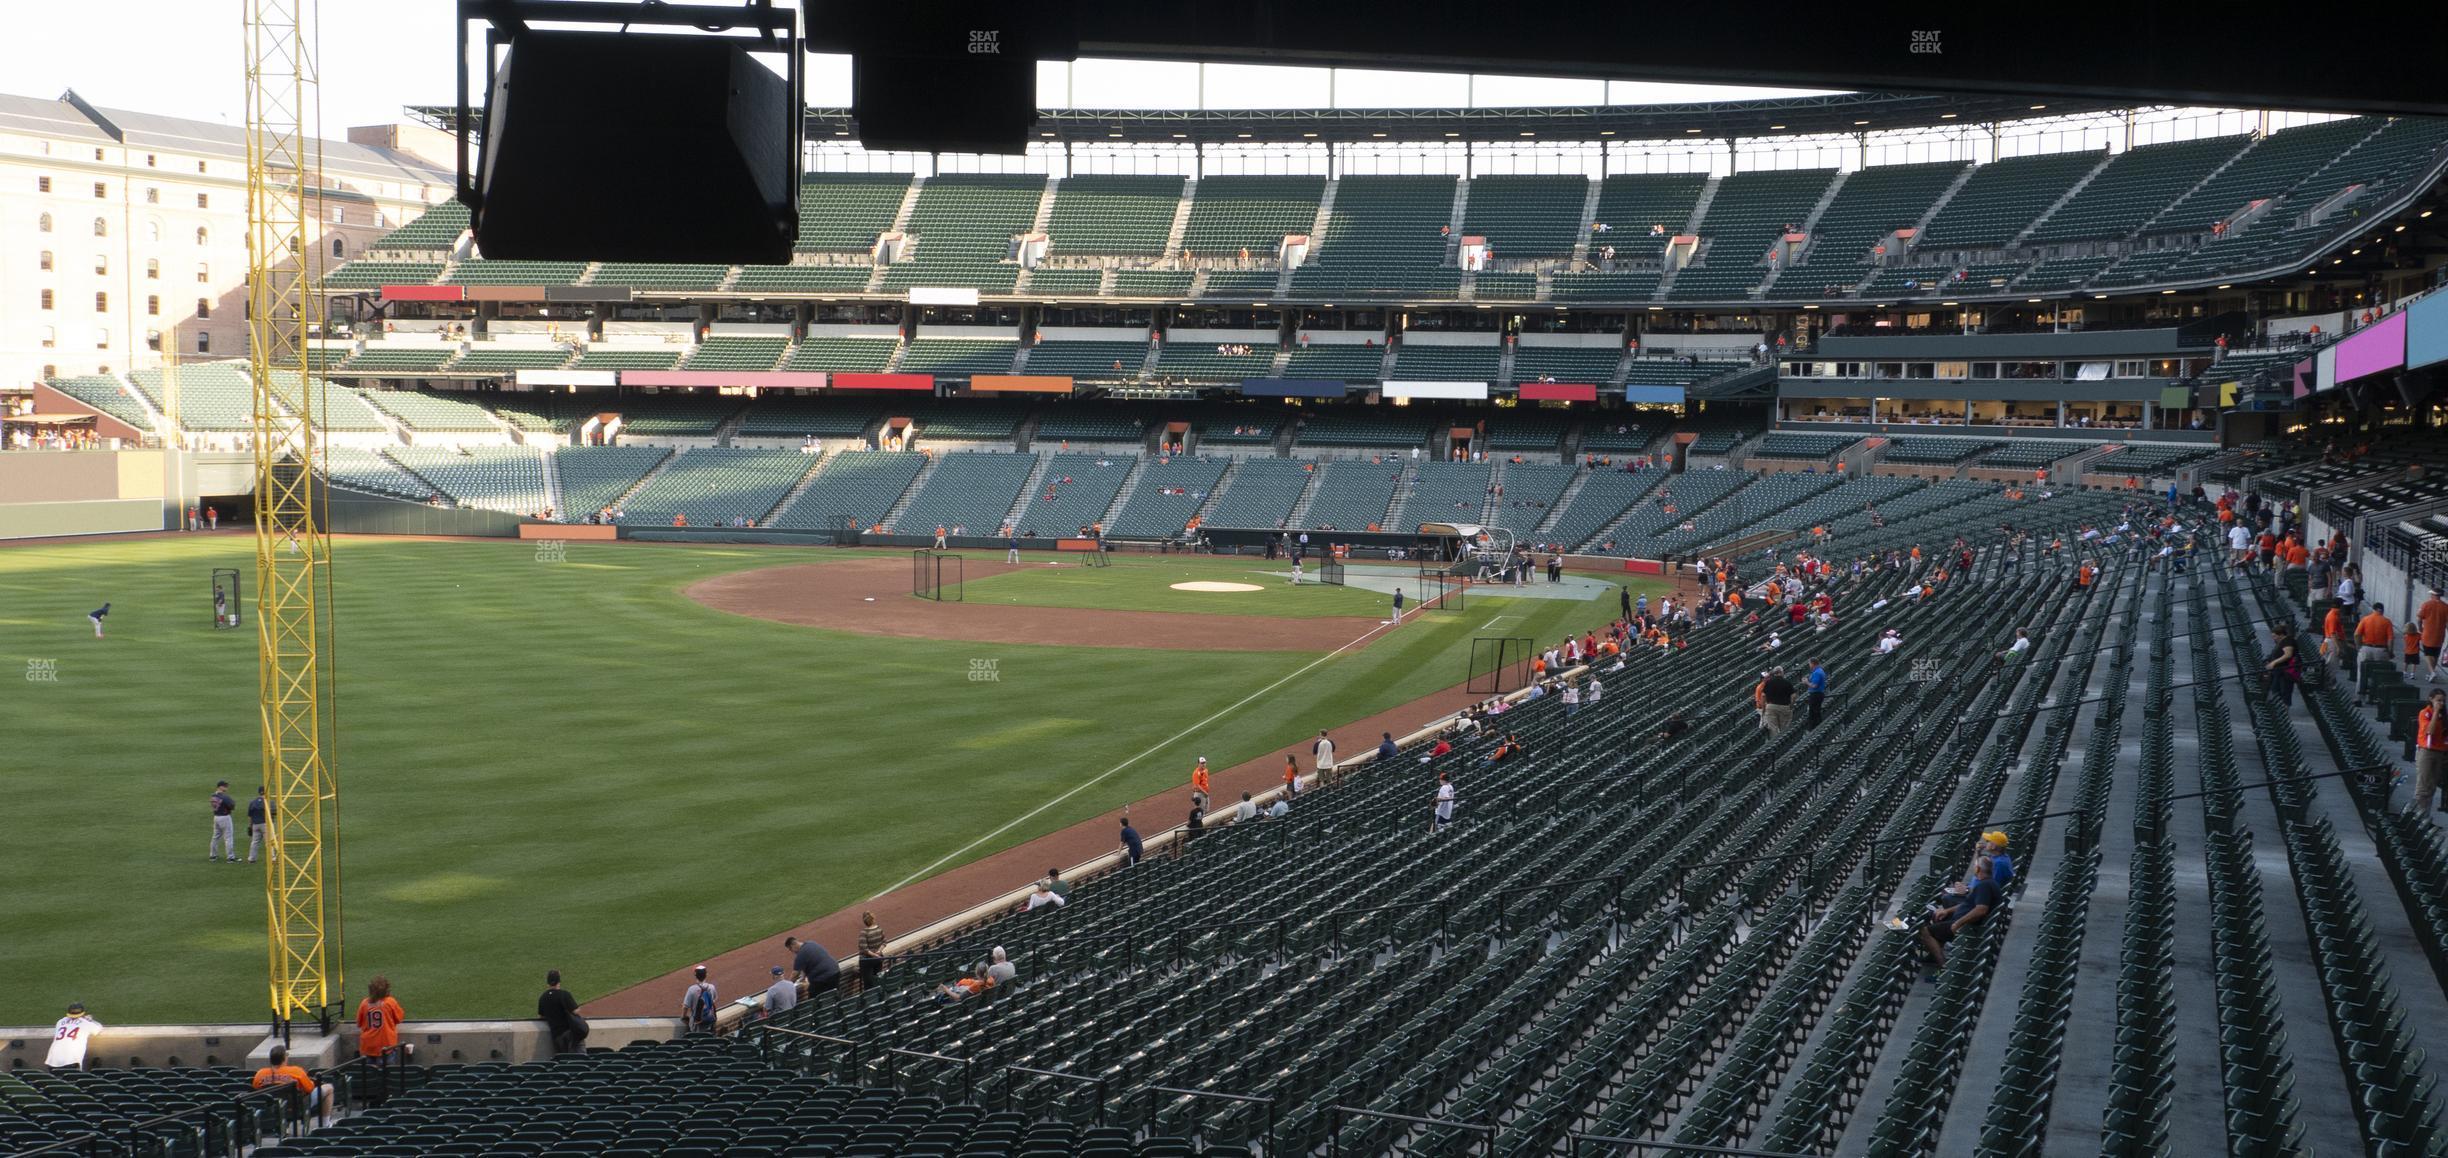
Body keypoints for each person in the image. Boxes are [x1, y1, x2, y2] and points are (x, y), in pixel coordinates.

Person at [1917, 854, 1999, 980]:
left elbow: (1980, 910)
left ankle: (1944, 970)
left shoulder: (1984, 886)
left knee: (1925, 931)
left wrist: (1958, 923)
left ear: (1978, 870)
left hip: (1965, 926)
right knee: (1939, 920)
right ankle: (1934, 956)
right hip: (1959, 921)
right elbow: (1968, 904)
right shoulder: (1989, 883)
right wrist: (1947, 911)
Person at [253, 1043, 335, 1125]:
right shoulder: (296, 1071)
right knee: (329, 1088)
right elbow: (310, 1089)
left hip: (271, 1108)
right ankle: (326, 1123)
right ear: (284, 1058)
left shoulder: (260, 1074)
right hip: (297, 1107)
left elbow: (256, 1090)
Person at [358, 975, 407, 1097]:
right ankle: (386, 1101)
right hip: (386, 1046)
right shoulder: (390, 1002)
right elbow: (399, 1018)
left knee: (370, 1080)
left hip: (368, 1046)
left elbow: (359, 1023)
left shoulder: (364, 1003)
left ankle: (372, 1102)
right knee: (388, 1078)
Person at [2413, 689, 2448, 818]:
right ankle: (2417, 816)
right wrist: (2436, 712)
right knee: (2423, 786)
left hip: (2439, 752)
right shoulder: (2425, 713)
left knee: (2431, 787)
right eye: (2439, 700)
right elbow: (2430, 731)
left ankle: (2425, 816)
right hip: (2426, 752)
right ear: (2431, 699)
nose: (2442, 703)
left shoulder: (2444, 716)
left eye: (2443, 701)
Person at [538, 970, 586, 1054]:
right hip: (570, 1033)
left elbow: (541, 1016)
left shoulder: (543, 997)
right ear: (559, 982)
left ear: (548, 983)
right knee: (579, 1059)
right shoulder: (564, 994)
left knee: (564, 1060)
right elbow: (576, 1011)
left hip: (557, 1036)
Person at [46, 1002, 102, 1071]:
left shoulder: (60, 1022)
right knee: (72, 1080)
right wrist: (90, 1020)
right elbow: (99, 1028)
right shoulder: (85, 1023)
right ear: (83, 1013)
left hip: (52, 1060)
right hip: (71, 1061)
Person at [2265, 622, 2303, 709]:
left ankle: (2284, 710)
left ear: (2281, 634)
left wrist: (2274, 662)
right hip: (2278, 671)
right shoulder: (2282, 641)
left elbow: (2288, 655)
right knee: (2275, 689)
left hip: (2286, 671)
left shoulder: (2288, 641)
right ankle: (2278, 708)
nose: (2273, 638)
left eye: (2275, 636)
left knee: (2285, 690)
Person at [2357, 602, 2396, 680]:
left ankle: (2360, 690)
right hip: (2381, 650)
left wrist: (2359, 647)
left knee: (2362, 673)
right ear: (2382, 610)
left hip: (2366, 648)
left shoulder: (2365, 619)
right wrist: (2390, 652)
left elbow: (2356, 634)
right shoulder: (2387, 621)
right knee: (2380, 674)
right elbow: (2390, 639)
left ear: (2373, 609)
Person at [2418, 589, 2448, 683]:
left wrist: (2420, 629)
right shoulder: (2446, 607)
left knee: (2427, 654)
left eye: (2431, 594)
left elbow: (2419, 618)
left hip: (2428, 633)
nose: (2430, 596)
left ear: (2434, 595)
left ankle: (2432, 672)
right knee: (2435, 654)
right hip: (2440, 634)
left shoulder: (2426, 604)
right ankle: (2430, 674)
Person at [680, 965, 719, 1034]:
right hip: (710, 1020)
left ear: (695, 976)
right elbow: (714, 1000)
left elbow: (685, 1006)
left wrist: (683, 1017)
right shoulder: (712, 987)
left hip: (696, 1024)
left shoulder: (691, 989)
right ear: (706, 975)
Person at [209, 780, 239, 863]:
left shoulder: (213, 796)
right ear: (220, 787)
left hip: (216, 817)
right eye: (225, 786)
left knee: (215, 837)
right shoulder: (224, 797)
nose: (226, 787)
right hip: (225, 818)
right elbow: (232, 805)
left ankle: (212, 856)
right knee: (228, 838)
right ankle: (230, 857)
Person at [1759, 667, 1796, 735]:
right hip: (1784, 707)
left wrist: (1764, 708)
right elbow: (1793, 696)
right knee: (1784, 730)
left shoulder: (1769, 682)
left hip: (1771, 707)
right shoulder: (1787, 682)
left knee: (1773, 729)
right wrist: (1791, 705)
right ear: (1781, 673)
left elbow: (1763, 695)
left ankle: (1774, 742)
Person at [857, 912, 887, 992]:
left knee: (869, 984)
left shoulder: (864, 933)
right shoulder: (879, 929)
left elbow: (864, 949)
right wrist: (878, 952)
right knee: (877, 980)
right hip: (878, 958)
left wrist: (874, 955)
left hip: (867, 961)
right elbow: (884, 942)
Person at [246, 786, 270, 864]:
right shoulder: (267, 801)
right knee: (269, 842)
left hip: (255, 825)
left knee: (254, 842)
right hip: (264, 825)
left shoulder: (252, 802)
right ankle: (272, 858)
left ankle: (251, 858)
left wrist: (250, 826)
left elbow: (250, 816)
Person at [1805, 660, 1828, 728]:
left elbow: (1815, 686)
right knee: (1816, 712)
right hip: (1818, 694)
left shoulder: (1817, 672)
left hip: (1815, 694)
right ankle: (1817, 727)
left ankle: (1814, 728)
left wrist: (1806, 682)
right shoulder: (1819, 671)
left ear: (1813, 664)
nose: (1809, 665)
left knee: (1813, 713)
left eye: (1809, 664)